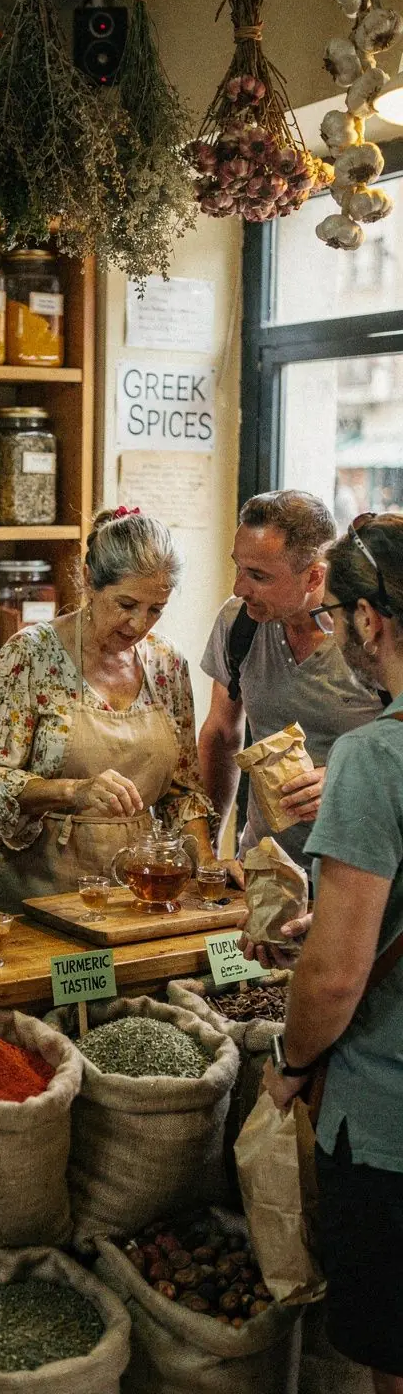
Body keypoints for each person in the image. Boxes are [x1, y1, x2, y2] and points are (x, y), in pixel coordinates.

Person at [264, 513, 403, 1394]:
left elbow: (336, 975)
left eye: (338, 614)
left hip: (391, 1121)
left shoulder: (373, 757)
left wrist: (289, 1061)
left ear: (370, 621)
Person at [0, 508, 220, 915]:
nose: (138, 624)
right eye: (126, 604)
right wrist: (74, 791)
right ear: (88, 580)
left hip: (132, 886)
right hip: (32, 880)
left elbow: (183, 792)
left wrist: (205, 862)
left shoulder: (167, 664)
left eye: (156, 609)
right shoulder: (30, 654)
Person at [199, 490, 380, 881]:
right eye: (238, 567)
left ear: (314, 575)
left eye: (258, 576)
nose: (238, 588)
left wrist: (345, 781)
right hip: (264, 873)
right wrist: (208, 851)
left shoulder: (370, 637)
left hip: (358, 877)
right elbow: (221, 735)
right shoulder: (238, 623)